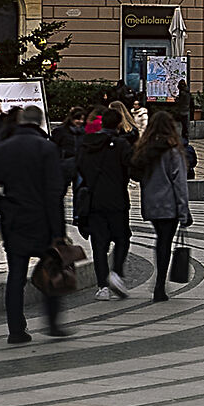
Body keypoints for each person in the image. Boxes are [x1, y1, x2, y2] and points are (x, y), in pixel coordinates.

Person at [0, 105, 72, 343]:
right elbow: (54, 193)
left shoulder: (2, 149)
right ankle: (52, 323)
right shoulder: (47, 148)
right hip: (43, 220)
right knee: (51, 270)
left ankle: (16, 329)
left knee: (16, 276)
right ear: (40, 122)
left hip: (14, 220)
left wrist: (4, 208)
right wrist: (59, 232)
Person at [75, 104, 135, 299]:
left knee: (99, 245)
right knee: (122, 238)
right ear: (118, 124)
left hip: (94, 200)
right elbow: (131, 168)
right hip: (117, 199)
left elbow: (80, 168)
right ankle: (116, 273)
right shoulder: (121, 145)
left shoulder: (86, 144)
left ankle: (102, 286)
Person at [133, 110, 192, 302]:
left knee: (161, 241)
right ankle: (160, 283)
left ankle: (159, 282)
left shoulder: (144, 150)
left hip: (151, 205)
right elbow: (179, 183)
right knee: (165, 242)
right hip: (169, 205)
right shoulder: (173, 150)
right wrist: (184, 212)